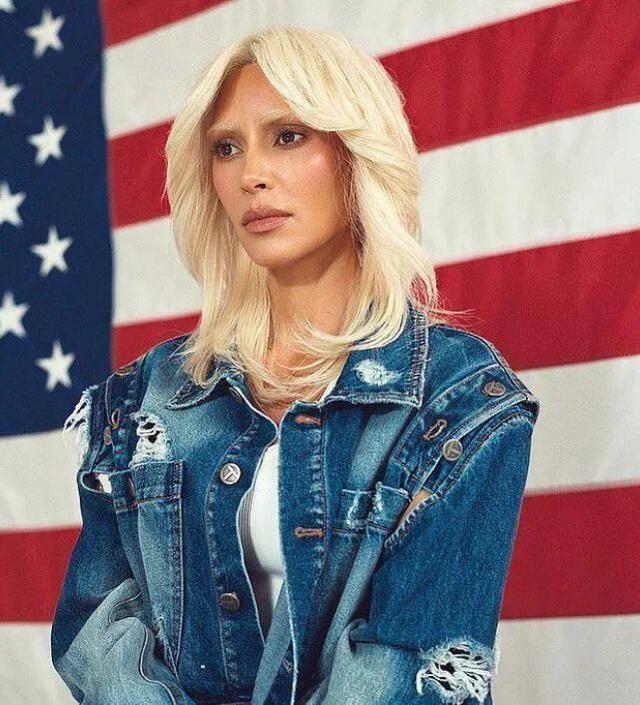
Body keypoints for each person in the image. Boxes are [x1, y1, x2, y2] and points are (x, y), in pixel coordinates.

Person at [50, 25, 540, 705]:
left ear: (355, 154)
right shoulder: (146, 397)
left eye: (287, 136)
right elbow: (96, 630)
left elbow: (408, 670)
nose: (250, 174)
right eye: (226, 147)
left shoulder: (459, 401)